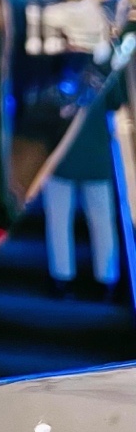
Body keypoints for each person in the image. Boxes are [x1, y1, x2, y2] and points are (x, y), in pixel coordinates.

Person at [43, 56, 128, 292]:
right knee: (102, 221)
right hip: (96, 155)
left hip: (59, 155)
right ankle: (107, 280)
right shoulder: (105, 64)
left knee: (59, 219)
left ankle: (62, 279)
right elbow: (117, 101)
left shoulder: (56, 63)